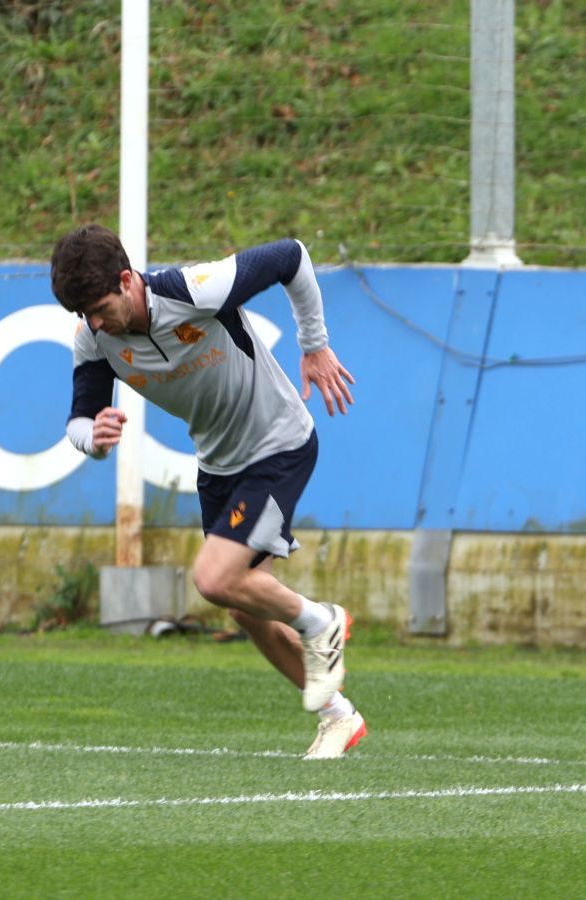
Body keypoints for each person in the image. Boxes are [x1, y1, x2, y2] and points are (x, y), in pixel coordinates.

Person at [50, 224, 365, 760]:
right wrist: (94, 440)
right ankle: (339, 716)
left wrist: (314, 346)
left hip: (277, 443)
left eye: (100, 307)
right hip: (218, 466)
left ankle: (322, 622)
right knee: (246, 610)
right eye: (83, 314)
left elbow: (292, 256)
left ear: (127, 281)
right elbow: (79, 421)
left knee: (214, 579)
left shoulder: (195, 290)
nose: (94, 322)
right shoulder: (95, 338)